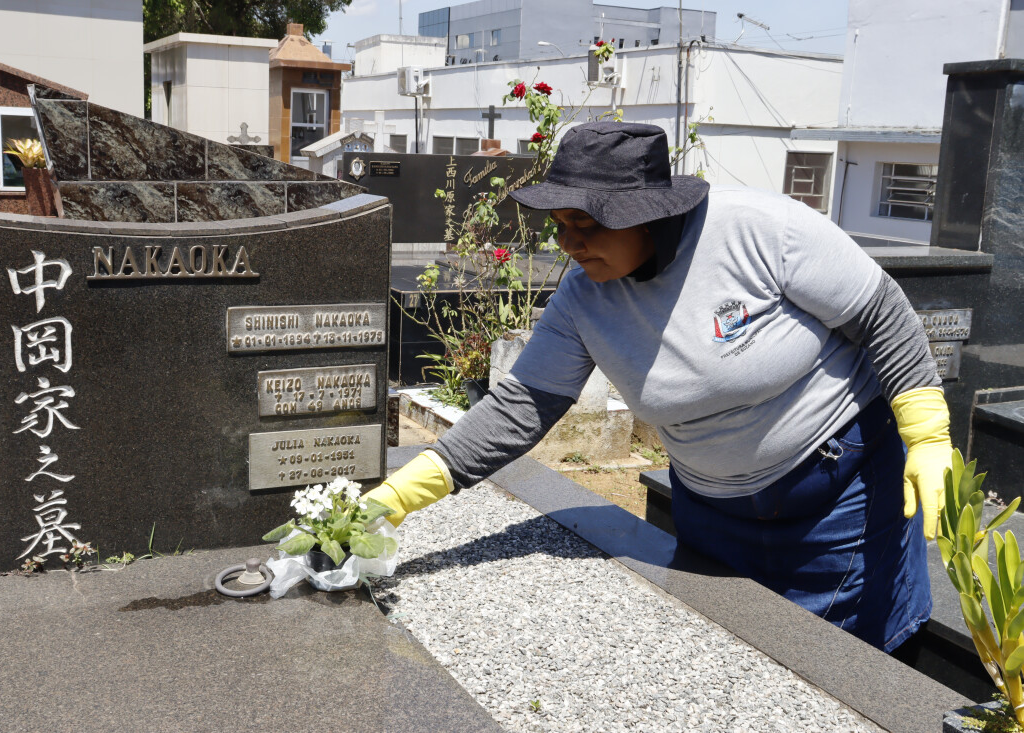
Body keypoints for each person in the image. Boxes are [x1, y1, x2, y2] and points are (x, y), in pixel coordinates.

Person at [365, 122, 952, 653]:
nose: (567, 244)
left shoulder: (761, 230)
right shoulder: (583, 296)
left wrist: (926, 433)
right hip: (713, 512)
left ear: (646, 213)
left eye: (586, 224)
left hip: (839, 497)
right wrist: (396, 499)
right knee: (740, 664)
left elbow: (882, 315)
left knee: (845, 668)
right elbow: (523, 405)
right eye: (560, 225)